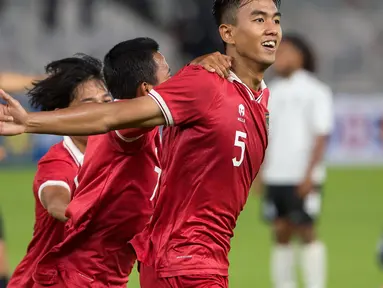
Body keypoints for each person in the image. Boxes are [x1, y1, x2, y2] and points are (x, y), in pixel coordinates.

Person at [0, 0, 281, 286]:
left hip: (127, 273)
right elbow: (109, 117)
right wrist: (29, 123)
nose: (272, 28)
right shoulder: (116, 139)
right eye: (260, 20)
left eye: (276, 20)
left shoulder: (175, 126)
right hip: (76, 277)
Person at [31, 38, 231, 288]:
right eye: (169, 74)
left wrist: (196, 65)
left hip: (103, 277)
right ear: (146, 89)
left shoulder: (147, 131)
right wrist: (27, 122)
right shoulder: (127, 131)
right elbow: (55, 196)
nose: (181, 84)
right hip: (80, 279)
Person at [7, 54, 113, 288]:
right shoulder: (58, 161)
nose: (103, 112)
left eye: (107, 102)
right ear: (61, 115)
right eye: (89, 105)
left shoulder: (123, 155)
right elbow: (57, 203)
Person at [260, 34, 333, 288]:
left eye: (287, 52)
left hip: (302, 175)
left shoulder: (316, 90)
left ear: (301, 56)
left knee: (306, 229)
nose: (281, 57)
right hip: (275, 175)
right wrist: (260, 173)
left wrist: (309, 175)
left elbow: (321, 136)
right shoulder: (271, 91)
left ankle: (315, 284)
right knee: (280, 232)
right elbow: (265, 136)